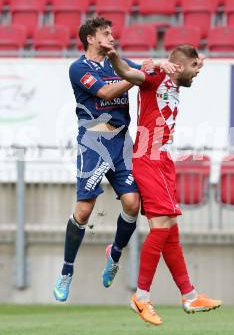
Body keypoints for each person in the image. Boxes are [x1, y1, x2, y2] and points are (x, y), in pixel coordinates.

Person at [101, 42, 222, 325]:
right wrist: (115, 56)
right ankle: (141, 297)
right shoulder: (155, 76)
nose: (197, 73)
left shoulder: (171, 79)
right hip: (150, 158)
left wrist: (192, 60)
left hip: (163, 160)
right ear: (179, 66)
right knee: (162, 227)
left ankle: (189, 295)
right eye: (194, 68)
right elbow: (129, 73)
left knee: (170, 229)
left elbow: (184, 63)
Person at [53, 16, 172, 302]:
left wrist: (160, 64)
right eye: (106, 34)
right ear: (91, 38)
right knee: (83, 211)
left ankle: (114, 253)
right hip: (93, 142)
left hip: (121, 141)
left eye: (112, 33)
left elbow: (143, 68)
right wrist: (134, 78)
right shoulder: (79, 68)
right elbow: (106, 91)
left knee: (133, 203)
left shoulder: (117, 61)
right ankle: (67, 270)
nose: (112, 37)